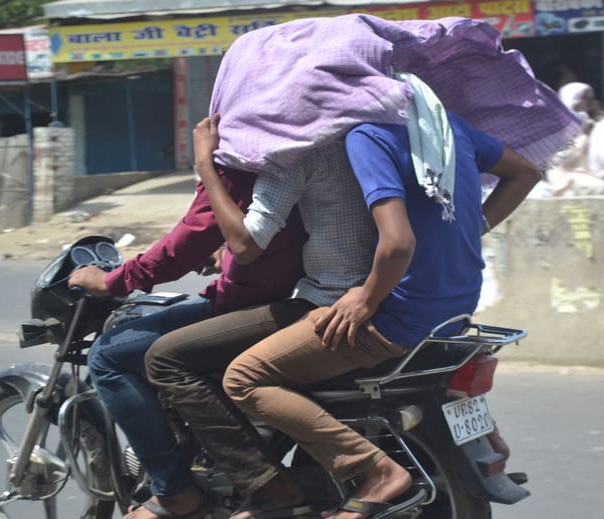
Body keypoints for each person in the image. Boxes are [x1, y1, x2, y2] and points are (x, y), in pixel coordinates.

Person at [143, 14, 578, 519]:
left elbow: (395, 243)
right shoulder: (442, 129)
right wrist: (468, 229)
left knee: (240, 377)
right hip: (455, 310)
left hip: (396, 315)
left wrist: (365, 298)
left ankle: (369, 473)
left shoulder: (362, 138)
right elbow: (525, 172)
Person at [68, 168, 306, 519]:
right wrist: (224, 253)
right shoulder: (285, 155)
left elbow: (192, 235)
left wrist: (113, 281)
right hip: (283, 290)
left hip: (255, 303)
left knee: (107, 356)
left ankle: (174, 490)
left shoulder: (234, 160)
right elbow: (263, 231)